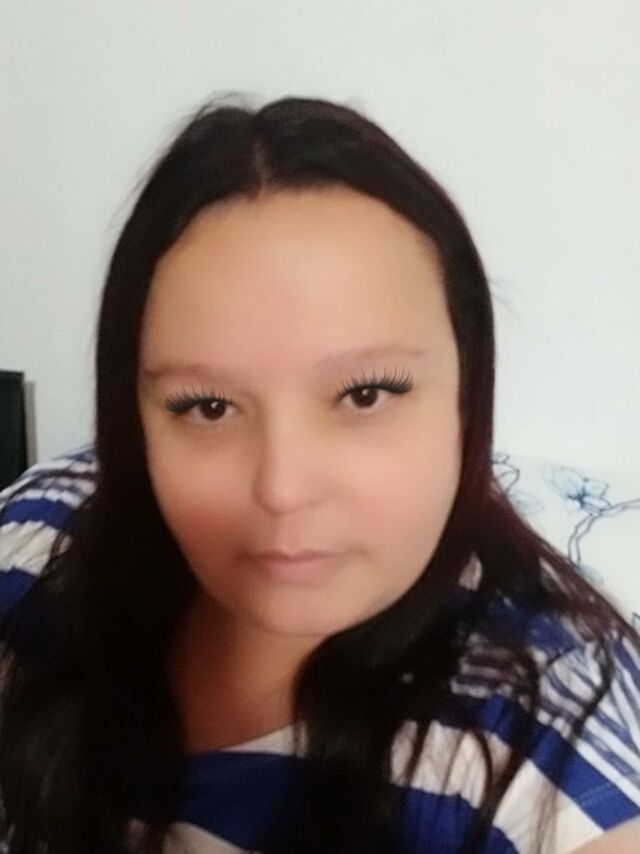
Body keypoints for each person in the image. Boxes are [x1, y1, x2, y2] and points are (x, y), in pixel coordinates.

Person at [0, 94, 638, 854]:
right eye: (207, 406)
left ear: (468, 395)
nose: (282, 488)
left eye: (365, 395)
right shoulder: (40, 537)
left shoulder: (543, 751)